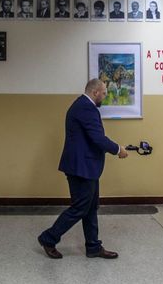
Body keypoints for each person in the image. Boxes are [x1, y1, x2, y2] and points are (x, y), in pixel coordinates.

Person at [38, 79, 128, 260]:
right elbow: (98, 138)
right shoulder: (86, 108)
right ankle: (48, 238)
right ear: (95, 92)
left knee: (90, 208)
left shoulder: (81, 105)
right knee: (80, 208)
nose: (105, 96)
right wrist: (118, 149)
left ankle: (93, 247)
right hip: (81, 168)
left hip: (86, 167)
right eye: (104, 93)